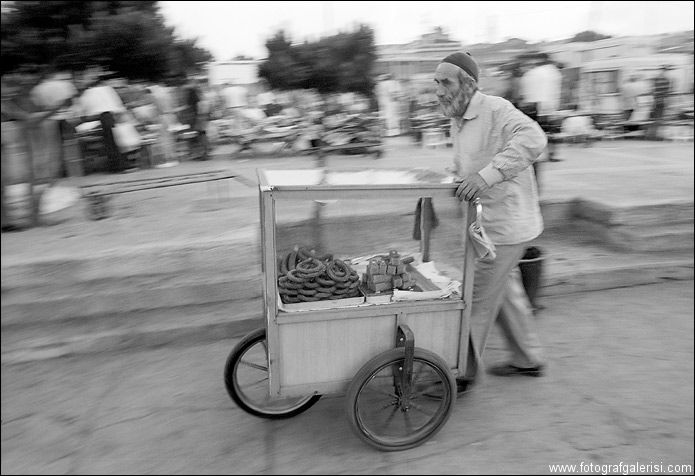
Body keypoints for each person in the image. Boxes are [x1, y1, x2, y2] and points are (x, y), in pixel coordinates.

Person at [433, 52, 547, 394]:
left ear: (468, 84)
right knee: (505, 293)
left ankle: (459, 375)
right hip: (491, 225)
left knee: (477, 296)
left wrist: (486, 177)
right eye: (436, 83)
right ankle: (528, 358)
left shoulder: (497, 110)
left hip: (507, 225)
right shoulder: (459, 118)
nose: (438, 91)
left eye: (445, 83)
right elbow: (467, 166)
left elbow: (534, 139)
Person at [648, 66, 672, 140]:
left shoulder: (655, 79)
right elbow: (666, 93)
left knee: (656, 118)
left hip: (656, 101)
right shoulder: (666, 80)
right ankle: (656, 135)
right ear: (665, 71)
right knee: (659, 118)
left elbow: (652, 91)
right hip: (661, 101)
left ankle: (652, 135)